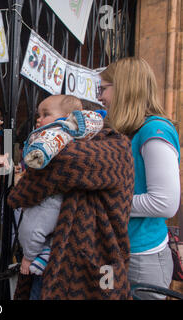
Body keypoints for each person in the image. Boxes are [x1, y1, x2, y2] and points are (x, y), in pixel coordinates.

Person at [8, 98, 135, 299]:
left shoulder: (76, 154)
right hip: (104, 262)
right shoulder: (119, 148)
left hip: (74, 268)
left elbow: (25, 195)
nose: (38, 121)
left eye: (45, 114)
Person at [98, 57, 180, 300]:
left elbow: (165, 203)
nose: (100, 97)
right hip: (114, 252)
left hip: (142, 260)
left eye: (103, 89)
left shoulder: (155, 131)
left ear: (124, 87)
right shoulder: (127, 131)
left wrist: (106, 202)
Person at [16, 95, 105, 300]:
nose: (38, 120)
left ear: (68, 118)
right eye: (38, 114)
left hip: (52, 266)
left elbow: (35, 224)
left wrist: (27, 258)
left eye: (46, 114)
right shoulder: (93, 150)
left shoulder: (55, 169)